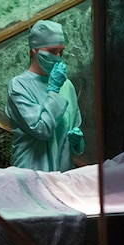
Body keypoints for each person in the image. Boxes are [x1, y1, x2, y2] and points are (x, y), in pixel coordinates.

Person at [5, 20, 84, 171]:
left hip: (62, 173)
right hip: (31, 171)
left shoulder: (66, 85)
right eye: (53, 51)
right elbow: (42, 130)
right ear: (34, 50)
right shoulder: (19, 86)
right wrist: (53, 90)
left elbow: (74, 129)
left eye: (61, 51)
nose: (59, 57)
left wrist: (76, 141)